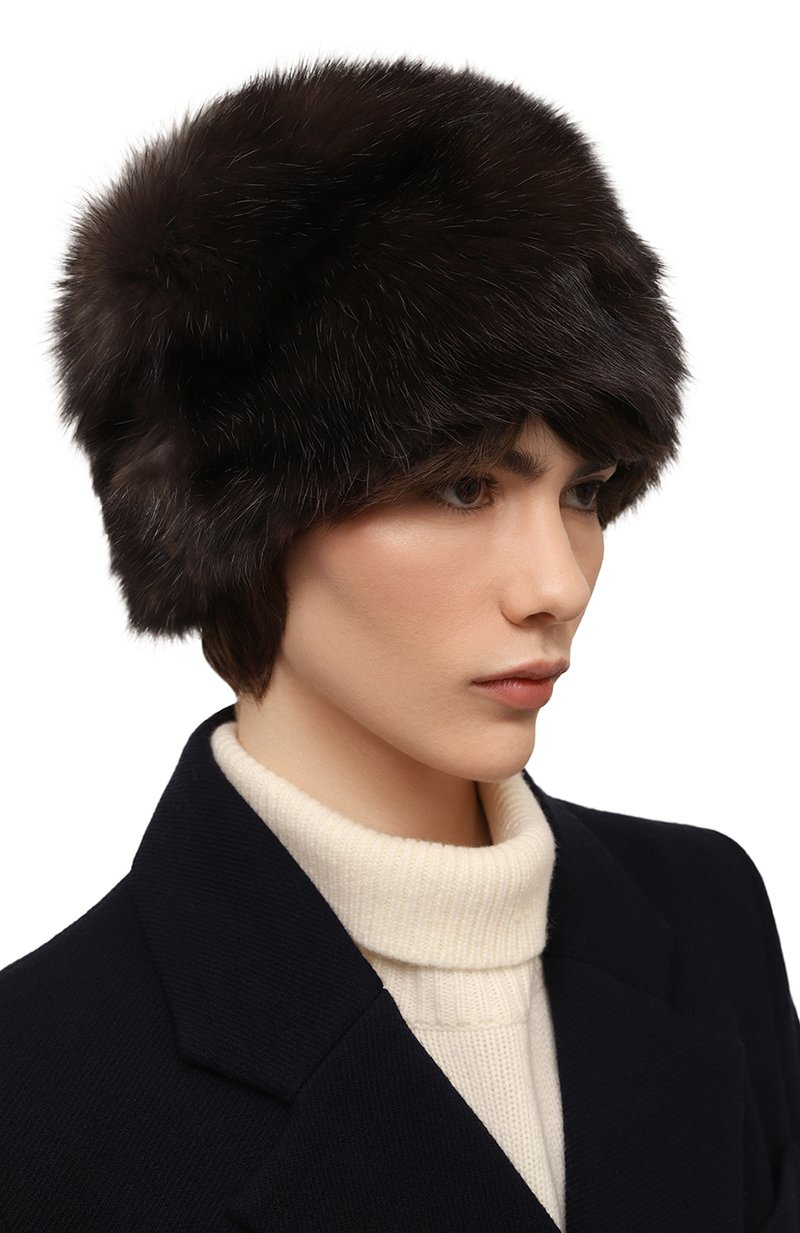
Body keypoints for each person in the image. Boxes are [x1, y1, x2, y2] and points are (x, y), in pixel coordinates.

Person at [1, 53, 798, 1233]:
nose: (556, 584)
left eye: (584, 491)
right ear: (232, 521)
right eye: (463, 488)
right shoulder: (42, 1077)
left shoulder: (704, 914)